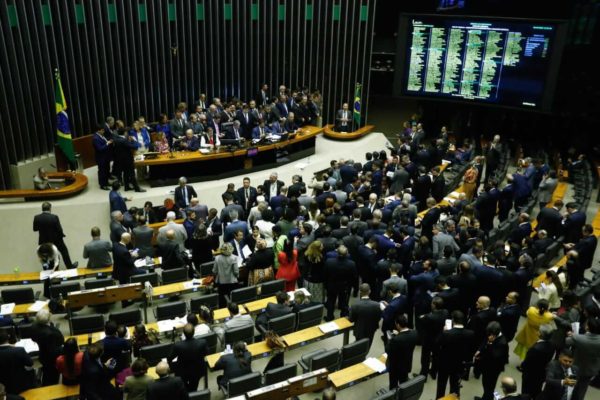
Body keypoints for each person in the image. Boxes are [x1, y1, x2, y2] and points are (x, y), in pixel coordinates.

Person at [435, 310, 475, 399]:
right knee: (455, 386)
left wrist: (443, 331)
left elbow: (437, 343)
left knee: (441, 385)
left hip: (444, 363)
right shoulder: (470, 333)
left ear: (453, 320)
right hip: (459, 364)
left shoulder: (447, 333)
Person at [33, 201, 78, 269]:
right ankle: (69, 266)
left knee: (46, 255)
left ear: (42, 208)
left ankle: (48, 269)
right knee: (64, 251)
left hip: (44, 241)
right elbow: (59, 229)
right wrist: (62, 235)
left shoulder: (37, 217)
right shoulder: (54, 217)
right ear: (50, 208)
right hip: (56, 240)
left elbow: (35, 229)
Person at [565, 317, 600, 400]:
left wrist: (572, 335)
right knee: (582, 389)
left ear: (587, 327)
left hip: (577, 366)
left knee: (570, 387)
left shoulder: (579, 338)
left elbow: (567, 341)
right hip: (591, 369)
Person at [474, 321, 509, 400]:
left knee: (489, 387)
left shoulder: (502, 343)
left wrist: (490, 343)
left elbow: (494, 357)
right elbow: (484, 342)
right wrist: (480, 350)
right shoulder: (492, 334)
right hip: (487, 365)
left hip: (493, 369)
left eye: (490, 334)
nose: (489, 336)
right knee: (485, 384)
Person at [168, 323, 208, 392]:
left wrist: (171, 366)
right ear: (194, 331)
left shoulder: (178, 345)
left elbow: (170, 358)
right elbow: (206, 353)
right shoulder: (202, 342)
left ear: (183, 333)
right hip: (198, 369)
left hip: (182, 371)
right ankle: (192, 392)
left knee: (183, 386)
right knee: (194, 384)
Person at [30, 309, 64, 386]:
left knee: (46, 372)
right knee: (52, 377)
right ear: (49, 319)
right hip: (51, 359)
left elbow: (33, 338)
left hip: (42, 353)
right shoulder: (50, 333)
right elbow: (54, 350)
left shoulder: (33, 326)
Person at [417, 296, 448, 378]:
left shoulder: (429, 317)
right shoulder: (445, 312)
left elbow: (422, 322)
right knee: (436, 356)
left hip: (428, 339)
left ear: (434, 305)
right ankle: (434, 373)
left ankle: (424, 375)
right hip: (439, 338)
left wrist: (423, 317)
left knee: (425, 358)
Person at [521, 324, 555, 399]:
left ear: (540, 333)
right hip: (541, 375)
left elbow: (527, 363)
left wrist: (522, 366)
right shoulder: (552, 345)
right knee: (536, 393)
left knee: (525, 395)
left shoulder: (535, 349)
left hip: (530, 376)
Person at [323, 245, 357, 321]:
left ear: (337, 252)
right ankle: (343, 317)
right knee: (344, 302)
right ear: (347, 253)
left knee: (331, 301)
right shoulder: (351, 264)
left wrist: (326, 285)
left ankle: (329, 317)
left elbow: (325, 275)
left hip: (332, 285)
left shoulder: (329, 262)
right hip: (345, 287)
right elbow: (354, 277)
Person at [0, 330, 35, 395]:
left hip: (3, 384)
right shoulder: (19, 350)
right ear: (8, 337)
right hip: (21, 382)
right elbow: (30, 363)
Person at [213, 243, 239, 307]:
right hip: (232, 281)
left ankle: (223, 309)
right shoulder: (234, 257)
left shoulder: (217, 258)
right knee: (232, 296)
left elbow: (214, 271)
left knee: (222, 298)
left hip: (221, 282)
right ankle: (233, 308)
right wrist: (237, 277)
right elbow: (236, 271)